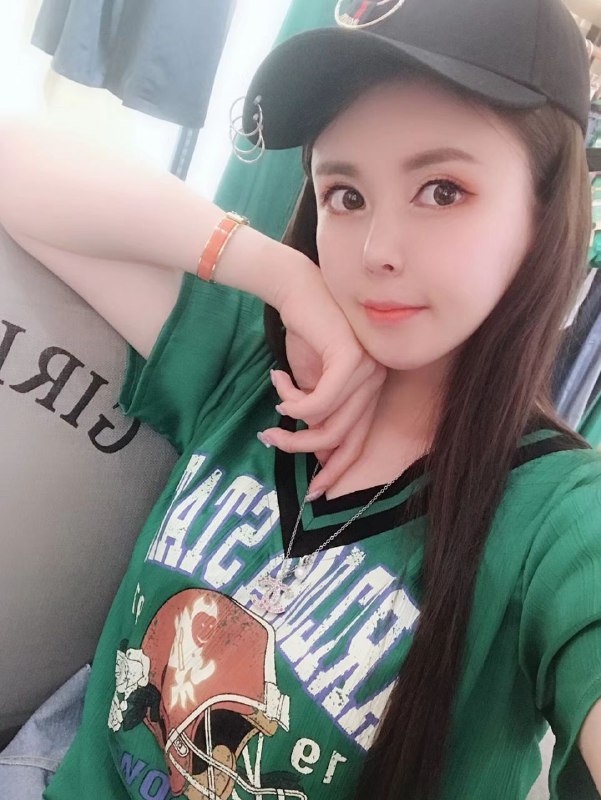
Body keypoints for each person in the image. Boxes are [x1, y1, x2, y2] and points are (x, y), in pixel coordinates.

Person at [0, 0, 600, 798]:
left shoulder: (558, 518)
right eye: (344, 195)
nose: (377, 250)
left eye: (442, 190)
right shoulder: (254, 367)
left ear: (545, 209)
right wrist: (280, 275)